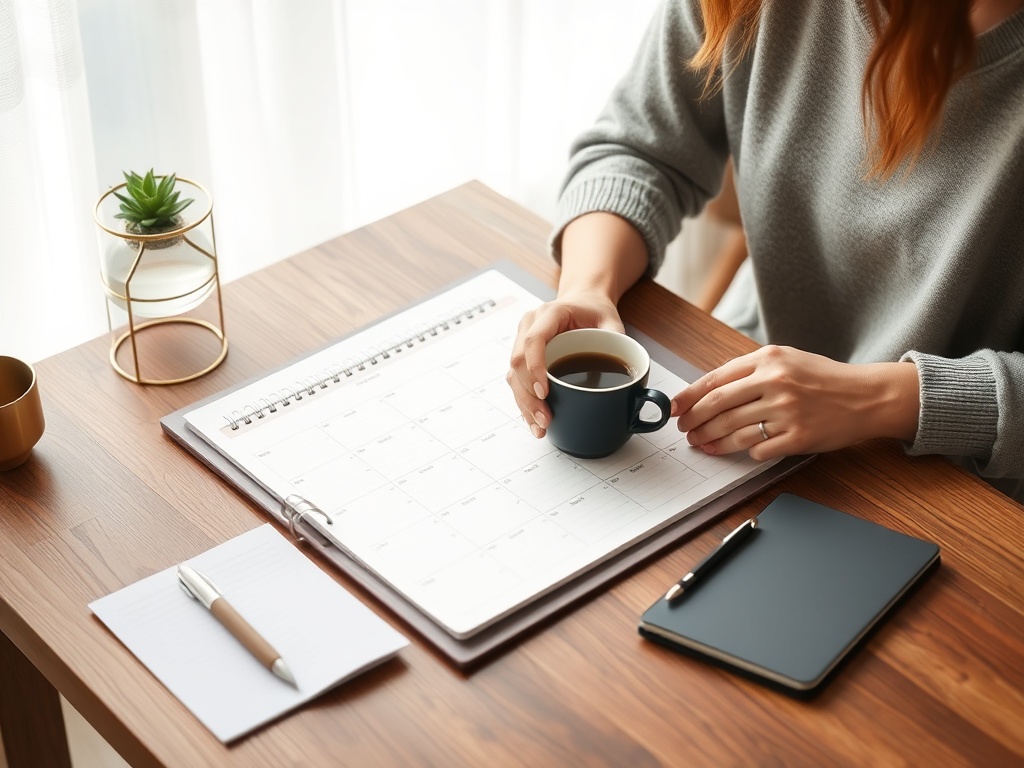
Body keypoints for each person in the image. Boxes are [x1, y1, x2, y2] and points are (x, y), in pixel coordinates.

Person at [507, 0, 1024, 502]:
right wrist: (587, 288)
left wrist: (881, 398)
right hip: (743, 386)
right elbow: (638, 148)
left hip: (962, 484)